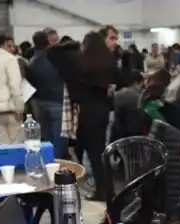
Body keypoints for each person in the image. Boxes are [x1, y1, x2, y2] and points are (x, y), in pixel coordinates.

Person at [51, 28, 121, 204]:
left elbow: (52, 52)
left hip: (86, 112)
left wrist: (73, 43)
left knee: (92, 154)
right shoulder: (108, 63)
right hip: (103, 110)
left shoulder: (78, 64)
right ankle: (106, 190)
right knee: (99, 154)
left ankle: (102, 191)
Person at [27, 30, 66, 157]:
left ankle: (47, 160)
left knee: (45, 136)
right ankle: (58, 162)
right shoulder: (57, 58)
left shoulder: (31, 61)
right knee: (59, 136)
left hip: (40, 102)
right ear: (48, 41)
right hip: (58, 100)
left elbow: (30, 83)